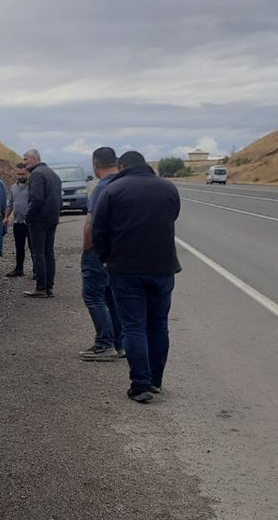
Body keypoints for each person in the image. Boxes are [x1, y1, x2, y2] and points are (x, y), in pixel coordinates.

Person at [91, 151, 182, 403]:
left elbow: (99, 230)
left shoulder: (113, 190)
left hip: (126, 269)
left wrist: (106, 257)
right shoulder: (168, 188)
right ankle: (155, 380)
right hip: (163, 268)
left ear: (121, 166)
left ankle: (140, 383)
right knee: (158, 325)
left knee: (133, 326)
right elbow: (172, 216)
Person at [79, 147, 124, 361]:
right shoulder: (124, 184)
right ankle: (119, 342)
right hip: (118, 251)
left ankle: (104, 343)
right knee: (111, 296)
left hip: (98, 250)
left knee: (93, 295)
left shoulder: (102, 188)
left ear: (96, 164)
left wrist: (87, 248)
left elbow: (91, 224)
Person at [22, 149, 62, 298]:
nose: (24, 163)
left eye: (26, 159)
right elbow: (59, 198)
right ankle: (49, 287)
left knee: (38, 253)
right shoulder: (53, 174)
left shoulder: (37, 174)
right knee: (48, 252)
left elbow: (36, 199)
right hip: (52, 217)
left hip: (39, 219)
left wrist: (28, 216)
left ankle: (41, 287)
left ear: (34, 159)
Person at [4, 163, 31, 277]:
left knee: (33, 247)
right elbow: (10, 204)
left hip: (30, 222)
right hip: (18, 222)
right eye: (18, 174)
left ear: (28, 173)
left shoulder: (32, 186)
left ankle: (36, 270)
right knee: (19, 246)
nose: (20, 176)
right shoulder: (14, 187)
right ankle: (19, 269)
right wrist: (6, 217)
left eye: (23, 174)